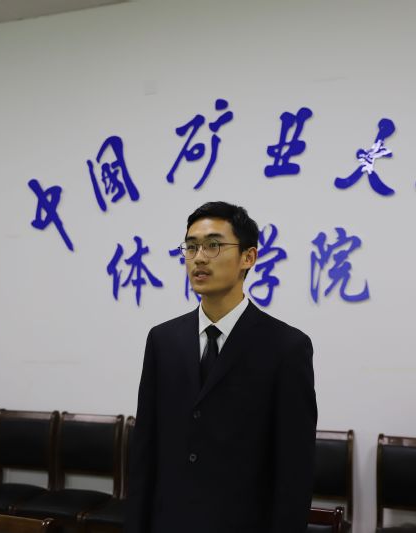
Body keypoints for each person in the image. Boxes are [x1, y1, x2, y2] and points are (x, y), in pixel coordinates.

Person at [126, 201, 317, 533]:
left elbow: (294, 470)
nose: (199, 258)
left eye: (214, 245)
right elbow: (145, 451)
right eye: (191, 247)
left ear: (248, 257)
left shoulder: (286, 347)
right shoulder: (163, 340)